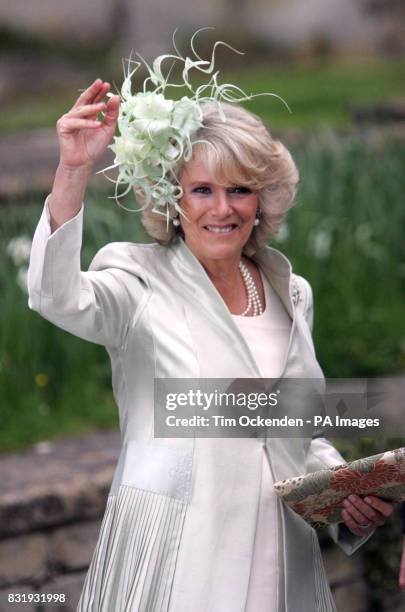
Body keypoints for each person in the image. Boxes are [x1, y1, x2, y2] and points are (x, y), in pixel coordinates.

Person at [27, 76, 395, 612]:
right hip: (178, 554)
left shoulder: (291, 291)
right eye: (202, 189)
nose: (222, 209)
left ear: (261, 200)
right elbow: (55, 295)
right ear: (174, 200)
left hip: (278, 551)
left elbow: (295, 424)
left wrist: (344, 491)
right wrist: (74, 170)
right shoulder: (138, 281)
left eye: (239, 190)